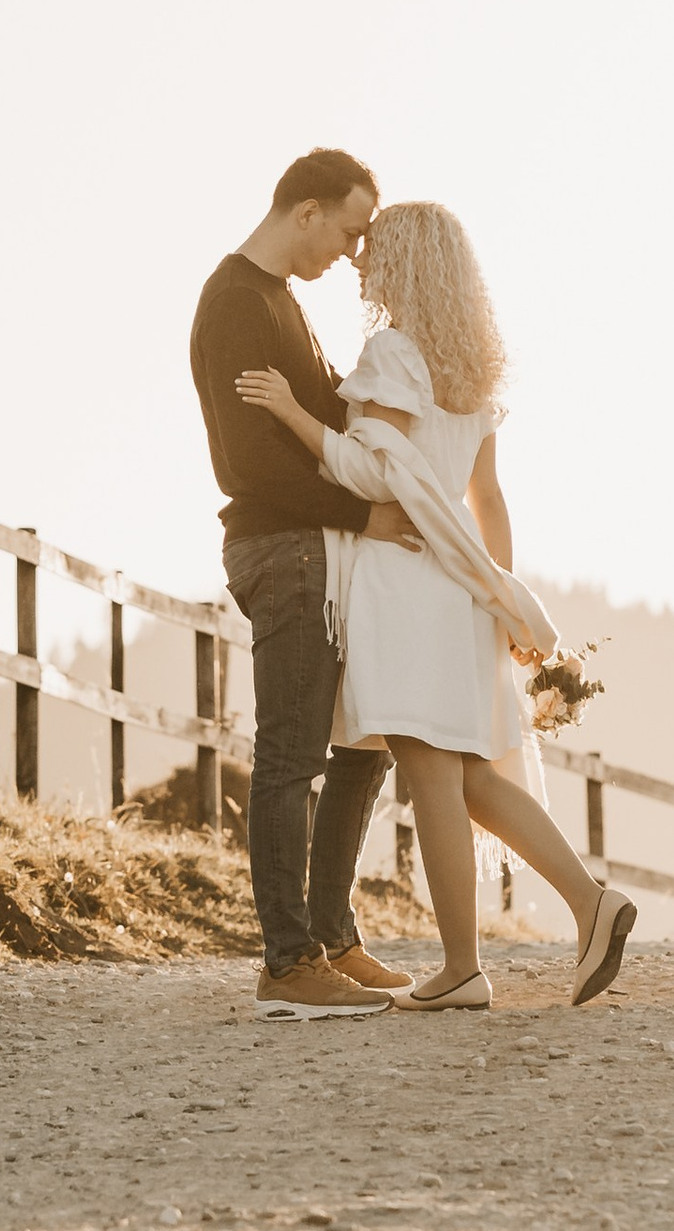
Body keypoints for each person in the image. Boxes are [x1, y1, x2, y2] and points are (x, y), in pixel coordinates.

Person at [237, 198, 636, 1011]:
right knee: (466, 775)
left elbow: (373, 473)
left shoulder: (394, 352)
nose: (359, 261)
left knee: (429, 773)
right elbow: (487, 498)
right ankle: (590, 902)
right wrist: (500, 597)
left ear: (406, 265)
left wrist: (291, 414)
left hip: (405, 580)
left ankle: (462, 967)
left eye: (374, 250)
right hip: (461, 581)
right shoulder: (474, 372)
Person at [189, 148, 423, 1019]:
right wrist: (366, 516)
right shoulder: (237, 303)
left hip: (319, 551)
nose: (352, 253)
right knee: (292, 754)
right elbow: (249, 464)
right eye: (349, 233)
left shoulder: (284, 302)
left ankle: (332, 938)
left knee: (365, 740)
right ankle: (288, 965)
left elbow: (326, 415)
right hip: (280, 549)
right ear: (307, 211)